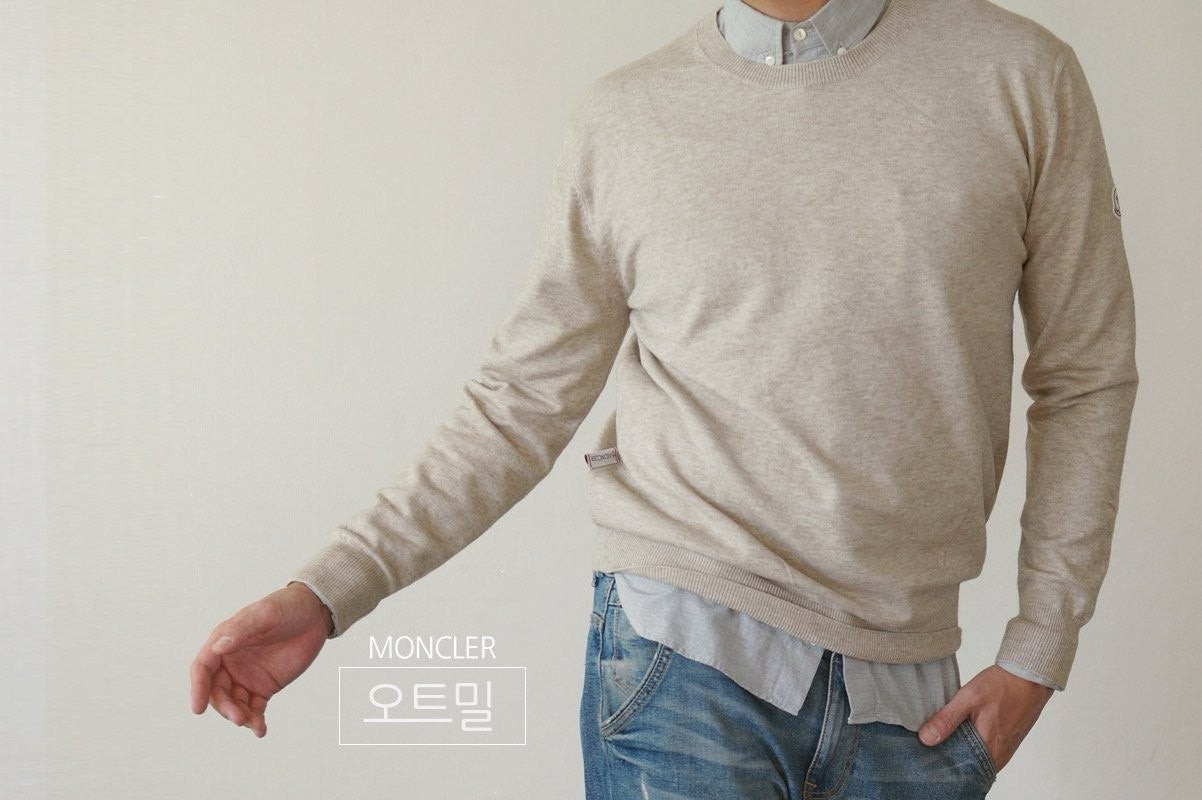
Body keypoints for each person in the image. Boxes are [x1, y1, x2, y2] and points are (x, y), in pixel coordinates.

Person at [190, 1, 1138, 797]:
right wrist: (330, 589)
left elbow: (1085, 372)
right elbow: (521, 400)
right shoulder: (626, 120)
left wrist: (1038, 652)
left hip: (912, 695)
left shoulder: (1021, 78)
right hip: (681, 654)